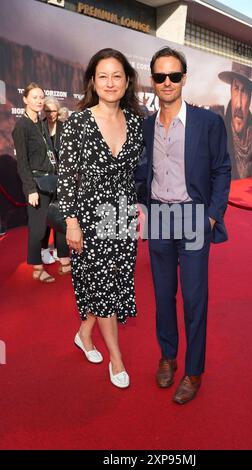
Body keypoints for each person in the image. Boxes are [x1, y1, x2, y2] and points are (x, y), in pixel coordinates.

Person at [140, 47, 231, 404]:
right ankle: (168, 356)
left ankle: (193, 371)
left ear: (183, 79)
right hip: (160, 216)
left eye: (174, 76)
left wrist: (211, 215)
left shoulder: (207, 123)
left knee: (194, 299)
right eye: (160, 77)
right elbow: (140, 171)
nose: (167, 82)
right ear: (153, 80)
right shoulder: (146, 126)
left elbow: (222, 169)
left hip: (194, 216)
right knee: (163, 296)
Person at [57, 49, 144, 388]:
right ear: (93, 81)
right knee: (104, 286)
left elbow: (135, 174)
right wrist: (71, 222)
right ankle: (117, 360)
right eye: (103, 76)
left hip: (121, 216)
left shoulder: (135, 122)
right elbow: (66, 176)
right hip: (89, 218)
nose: (110, 83)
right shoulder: (78, 123)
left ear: (127, 81)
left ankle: (83, 332)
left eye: (117, 76)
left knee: (115, 282)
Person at [12, 83, 70, 282]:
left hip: (54, 180)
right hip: (37, 183)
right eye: (34, 97)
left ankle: (65, 262)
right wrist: (30, 189)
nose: (39, 101)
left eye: (41, 97)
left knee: (60, 222)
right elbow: (22, 163)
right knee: (38, 228)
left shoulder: (41, 124)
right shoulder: (22, 126)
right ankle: (37, 267)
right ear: (25, 99)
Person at [218, 62, 252, 179]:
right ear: (230, 91)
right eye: (236, 89)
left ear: (251, 98)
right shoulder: (219, 134)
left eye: (245, 92)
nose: (238, 104)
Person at [41, 96, 67, 266]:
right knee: (44, 216)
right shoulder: (39, 127)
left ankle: (59, 249)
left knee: (59, 215)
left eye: (53, 110)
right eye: (47, 110)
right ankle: (43, 250)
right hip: (44, 178)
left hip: (62, 177)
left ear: (58, 110)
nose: (50, 114)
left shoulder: (65, 127)